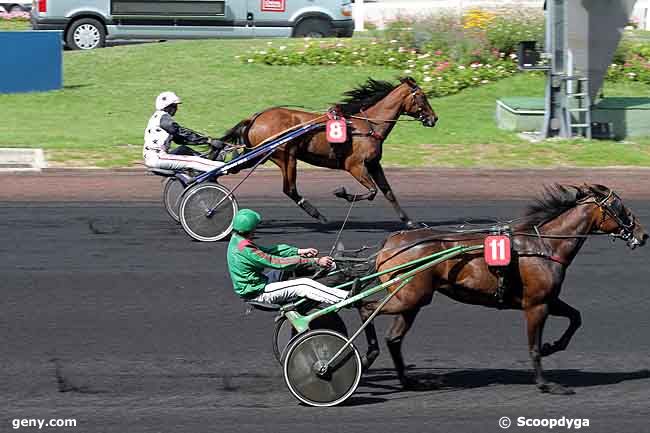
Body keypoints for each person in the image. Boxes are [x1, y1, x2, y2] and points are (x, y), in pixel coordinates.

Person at [227, 209, 352, 305]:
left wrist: (298, 251)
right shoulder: (246, 250)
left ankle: (333, 272)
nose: (256, 231)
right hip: (257, 293)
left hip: (257, 282)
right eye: (255, 228)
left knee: (291, 269)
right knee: (304, 285)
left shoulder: (237, 240)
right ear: (250, 229)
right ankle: (347, 297)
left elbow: (273, 251)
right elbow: (278, 262)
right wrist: (316, 261)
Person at [143, 91, 227, 172]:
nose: (176, 109)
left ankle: (209, 162)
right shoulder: (163, 118)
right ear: (168, 106)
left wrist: (206, 142)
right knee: (192, 161)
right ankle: (224, 167)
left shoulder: (159, 118)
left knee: (184, 149)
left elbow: (180, 139)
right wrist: (208, 140)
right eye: (175, 106)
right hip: (157, 157)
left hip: (154, 156)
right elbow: (181, 132)